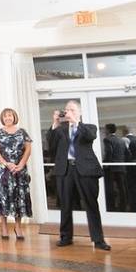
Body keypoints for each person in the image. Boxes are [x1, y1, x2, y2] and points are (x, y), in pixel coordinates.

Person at [48, 101, 110, 250]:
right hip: (65, 169)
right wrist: (55, 123)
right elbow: (51, 144)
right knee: (65, 204)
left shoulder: (89, 127)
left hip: (86, 170)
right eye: (67, 109)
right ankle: (65, 237)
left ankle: (98, 240)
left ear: (79, 112)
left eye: (72, 109)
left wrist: (75, 122)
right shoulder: (60, 130)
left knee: (91, 204)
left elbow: (89, 137)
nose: (69, 112)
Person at [0, 107, 32, 240]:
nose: (8, 118)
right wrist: (6, 163)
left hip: (19, 169)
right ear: (2, 119)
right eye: (5, 116)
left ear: (14, 117)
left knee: (18, 197)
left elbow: (28, 150)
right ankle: (3, 226)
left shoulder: (23, 132)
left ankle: (18, 226)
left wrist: (20, 164)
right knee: (2, 197)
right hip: (3, 170)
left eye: (10, 115)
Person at [102, 123, 129, 212]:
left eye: (105, 129)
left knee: (110, 188)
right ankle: (123, 206)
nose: (104, 131)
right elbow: (127, 153)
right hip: (121, 167)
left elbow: (109, 152)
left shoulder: (107, 140)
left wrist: (105, 165)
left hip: (111, 168)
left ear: (108, 130)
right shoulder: (121, 140)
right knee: (122, 188)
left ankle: (111, 207)